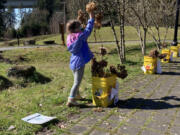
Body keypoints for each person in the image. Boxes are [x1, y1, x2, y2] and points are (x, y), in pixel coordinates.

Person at [66, 10, 95, 107]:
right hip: (79, 62)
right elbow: (88, 30)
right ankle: (71, 99)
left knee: (76, 80)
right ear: (75, 29)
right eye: (79, 27)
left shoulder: (70, 37)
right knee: (77, 82)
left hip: (73, 62)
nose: (81, 27)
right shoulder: (81, 36)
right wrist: (91, 17)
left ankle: (77, 95)